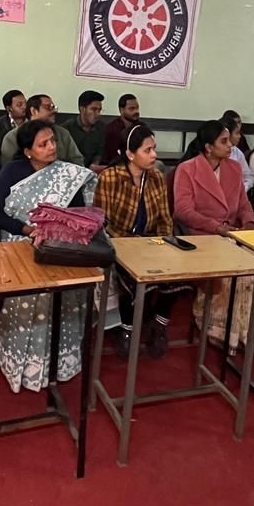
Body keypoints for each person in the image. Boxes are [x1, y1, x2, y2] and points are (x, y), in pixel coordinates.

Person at [0, 120, 98, 392]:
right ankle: (22, 363)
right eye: (43, 144)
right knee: (27, 296)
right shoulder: (12, 172)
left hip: (56, 247)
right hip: (19, 244)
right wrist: (28, 230)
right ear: (28, 151)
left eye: (53, 141)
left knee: (65, 294)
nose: (52, 147)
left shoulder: (66, 174)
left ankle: (58, 363)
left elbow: (77, 215)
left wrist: (55, 232)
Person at [174, 121, 254, 352]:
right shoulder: (188, 169)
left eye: (229, 140)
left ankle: (245, 330)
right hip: (202, 234)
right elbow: (183, 211)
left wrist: (250, 224)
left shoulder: (233, 168)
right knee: (233, 267)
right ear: (208, 147)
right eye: (224, 141)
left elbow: (243, 204)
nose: (230, 145)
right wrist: (217, 227)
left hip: (233, 232)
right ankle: (218, 328)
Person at [94, 124, 177, 359]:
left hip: (151, 243)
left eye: (154, 149)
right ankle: (127, 330)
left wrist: (163, 244)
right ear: (130, 154)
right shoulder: (110, 177)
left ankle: (159, 323)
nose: (154, 155)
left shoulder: (157, 177)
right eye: (147, 150)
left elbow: (165, 218)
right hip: (119, 244)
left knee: (179, 276)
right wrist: (132, 243)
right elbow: (103, 221)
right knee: (133, 279)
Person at [0, 94, 83, 164]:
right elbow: (11, 169)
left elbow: (77, 160)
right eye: (48, 107)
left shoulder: (62, 133)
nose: (54, 111)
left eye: (54, 107)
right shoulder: (12, 138)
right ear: (33, 111)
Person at [64, 89, 107, 168]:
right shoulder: (66, 129)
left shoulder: (101, 127)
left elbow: (99, 153)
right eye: (94, 109)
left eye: (99, 110)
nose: (98, 114)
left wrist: (94, 165)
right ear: (82, 109)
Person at [101, 93, 143, 164]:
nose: (136, 111)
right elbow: (112, 156)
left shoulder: (142, 127)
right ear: (121, 110)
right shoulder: (112, 129)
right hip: (117, 164)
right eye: (132, 108)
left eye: (137, 108)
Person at [0, 88, 27, 157]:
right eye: (19, 105)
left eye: (25, 103)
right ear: (9, 109)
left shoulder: (32, 121)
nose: (25, 107)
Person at [223, 113, 254, 192]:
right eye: (237, 133)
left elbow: (248, 176)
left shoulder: (237, 152)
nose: (240, 136)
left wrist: (243, 189)